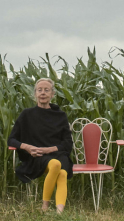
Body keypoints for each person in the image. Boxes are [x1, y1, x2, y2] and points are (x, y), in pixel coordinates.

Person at [7, 78, 74, 213]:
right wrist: (27, 147)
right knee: (55, 165)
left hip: (58, 154)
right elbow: (11, 140)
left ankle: (59, 213)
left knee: (61, 172)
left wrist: (50, 149)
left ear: (52, 94)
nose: (43, 93)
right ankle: (45, 207)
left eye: (46, 90)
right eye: (40, 90)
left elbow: (68, 143)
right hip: (36, 157)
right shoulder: (27, 114)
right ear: (35, 94)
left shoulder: (60, 116)